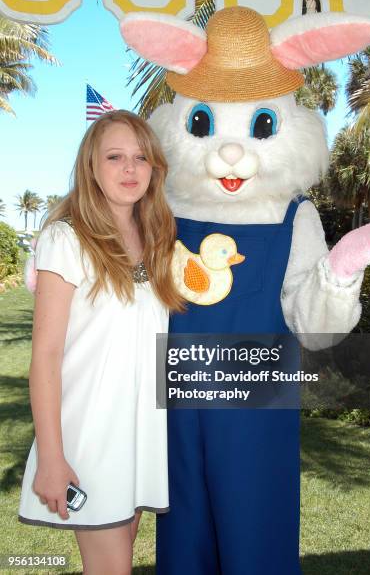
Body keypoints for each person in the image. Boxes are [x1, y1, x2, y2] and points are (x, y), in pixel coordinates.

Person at [19, 110, 183, 575]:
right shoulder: (65, 237)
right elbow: (45, 357)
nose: (130, 169)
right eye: (115, 157)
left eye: (140, 158)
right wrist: (52, 457)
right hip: (89, 435)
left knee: (116, 556)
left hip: (137, 432)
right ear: (91, 165)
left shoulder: (159, 242)